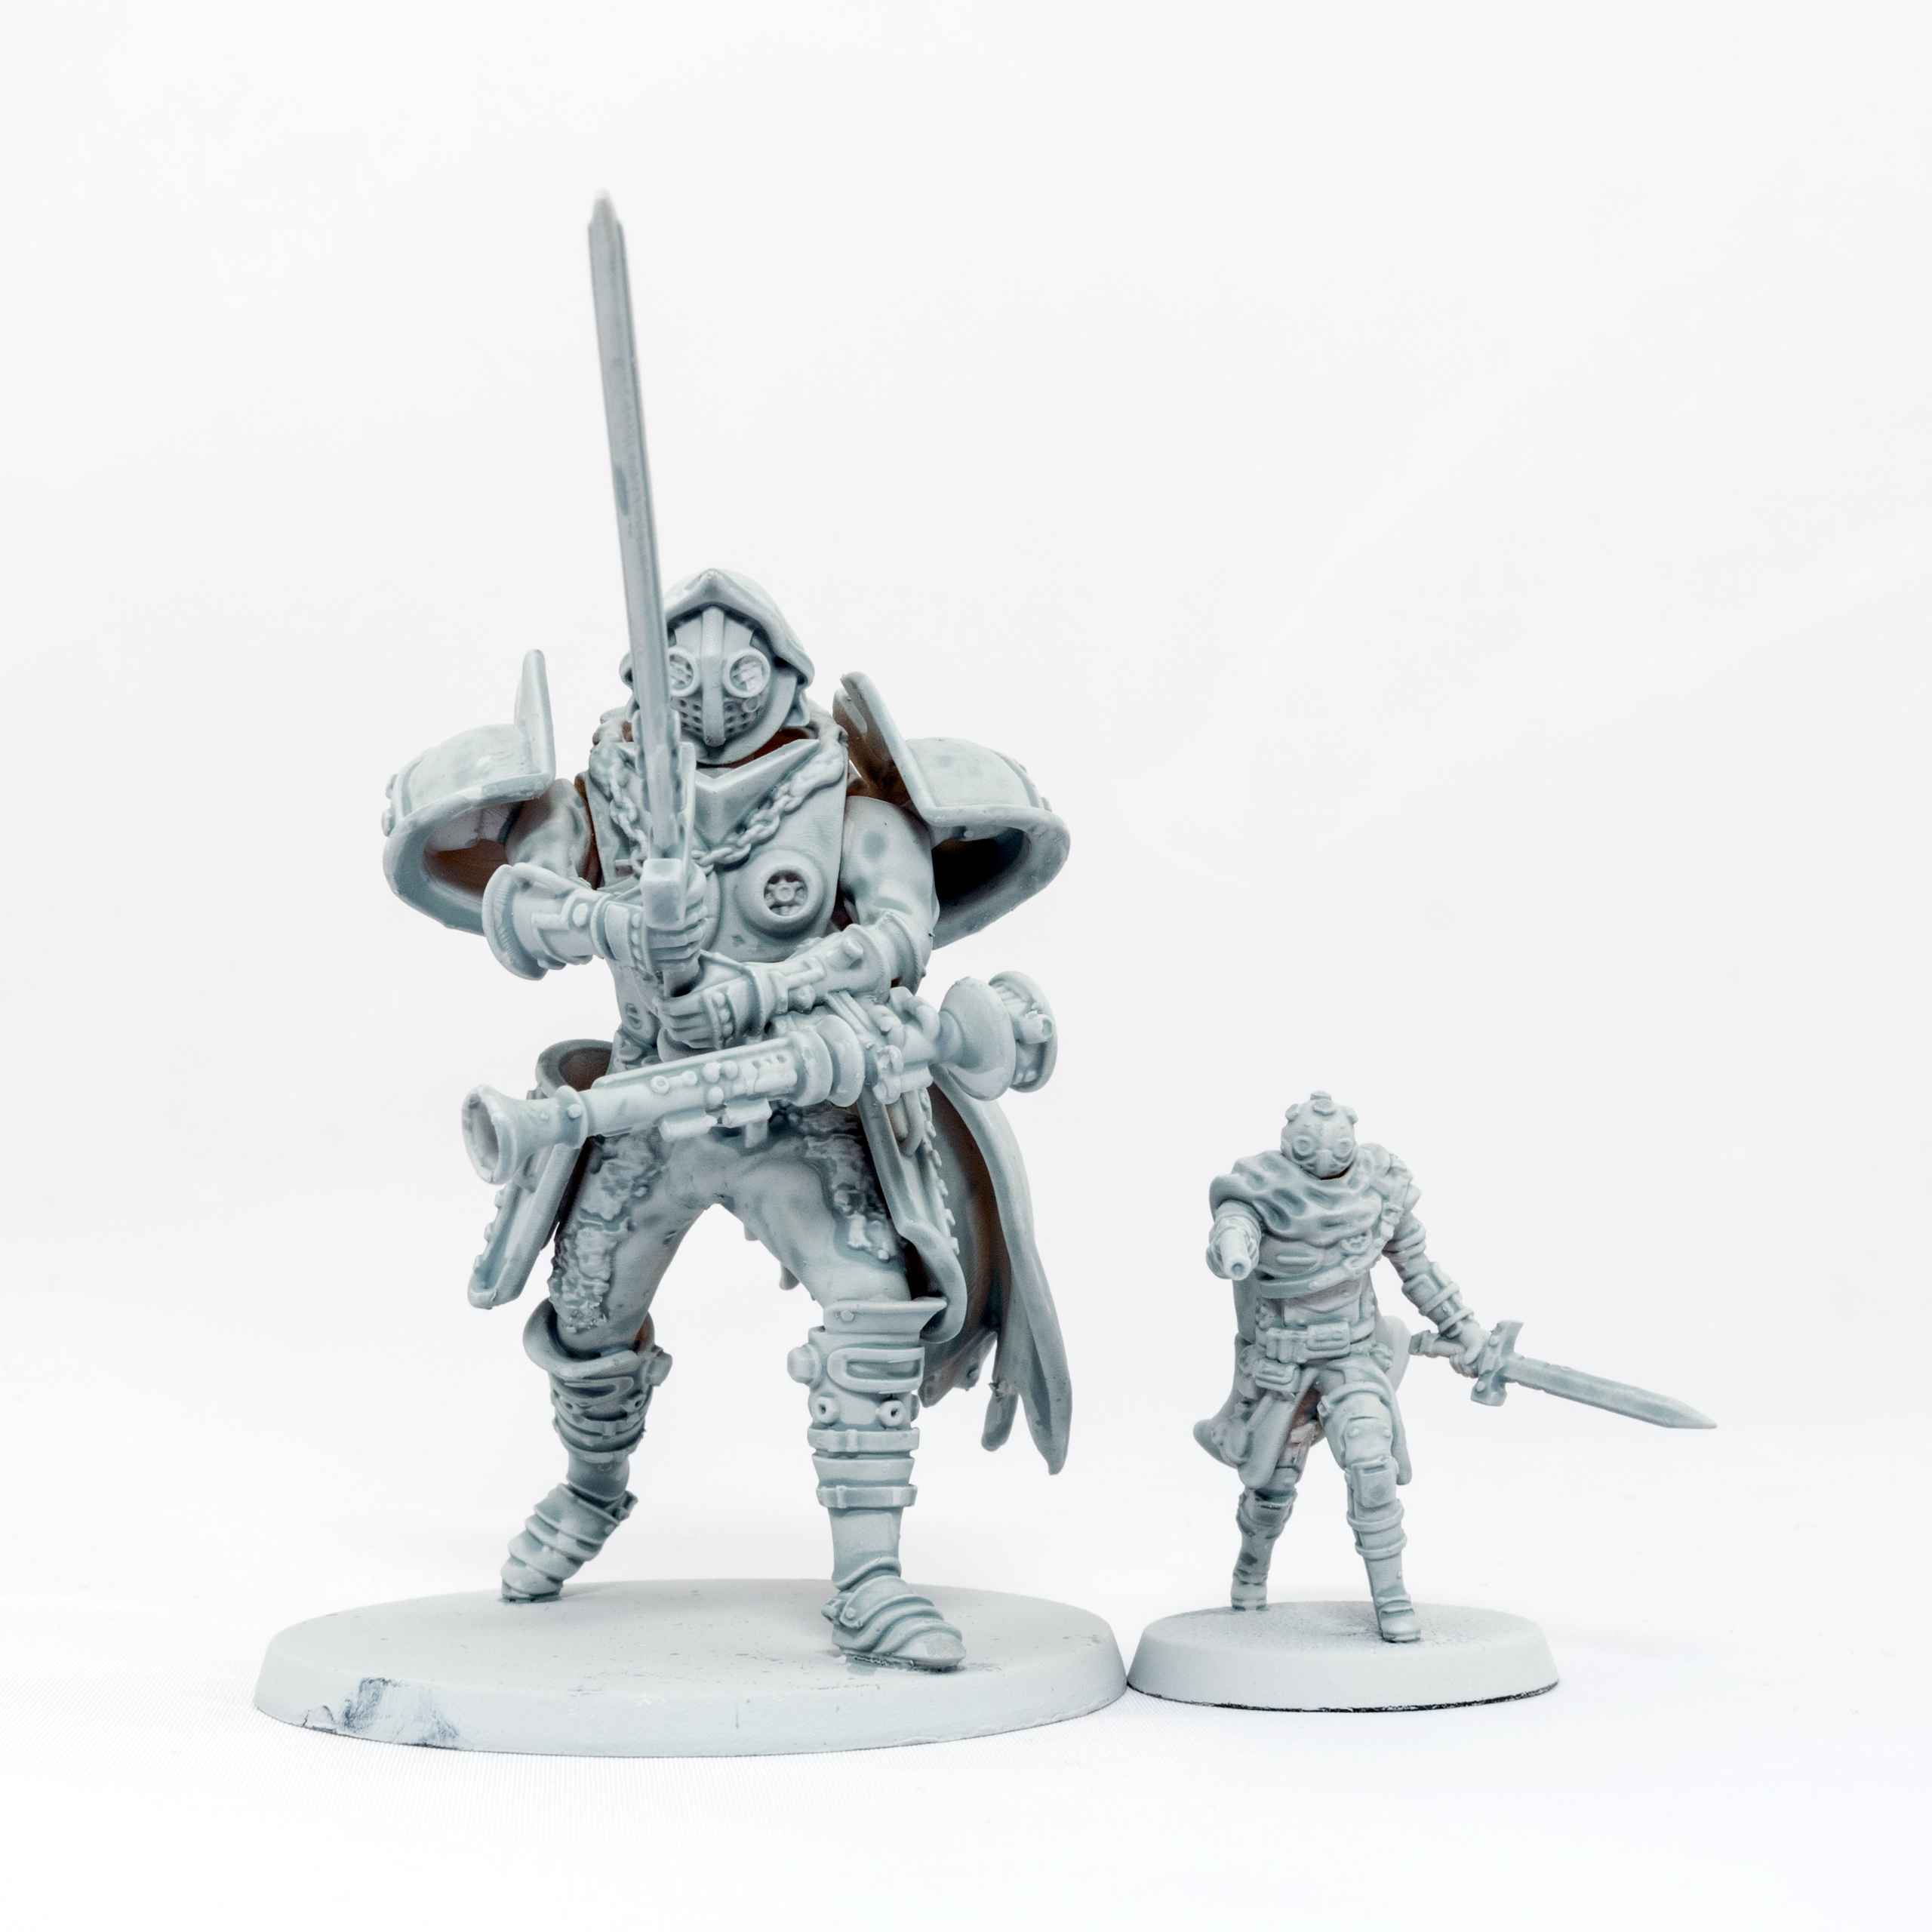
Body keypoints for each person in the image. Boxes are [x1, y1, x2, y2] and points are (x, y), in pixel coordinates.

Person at [381, 567, 1069, 1670]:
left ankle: (870, 1578)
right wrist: (612, 922)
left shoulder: (844, 801)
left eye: (738, 673)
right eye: (681, 676)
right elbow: (520, 907)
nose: (708, 697)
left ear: (783, 675)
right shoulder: (597, 792)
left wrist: (774, 988)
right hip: (648, 1108)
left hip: (801, 1111)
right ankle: (592, 1490)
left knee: (872, 1309)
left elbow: (903, 930)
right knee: (588, 1324)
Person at [1194, 1093, 1488, 1641]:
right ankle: (1251, 1571)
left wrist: (1463, 1328)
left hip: (1354, 1358)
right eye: (1309, 1146)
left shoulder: (1379, 1188)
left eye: (1337, 1145)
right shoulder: (1262, 1189)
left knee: (1372, 1466)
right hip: (1284, 1368)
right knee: (1272, 1487)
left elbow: (1417, 1268)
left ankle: (1392, 1597)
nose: (1325, 1157)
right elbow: (1235, 1228)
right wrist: (1230, 1245)